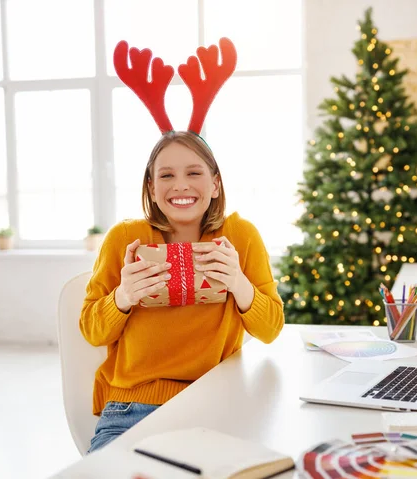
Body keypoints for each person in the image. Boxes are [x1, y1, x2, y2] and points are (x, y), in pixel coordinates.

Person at [80, 38, 285, 453]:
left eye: (194, 172)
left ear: (215, 184)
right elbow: (91, 330)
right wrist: (123, 296)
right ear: (152, 189)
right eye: (167, 176)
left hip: (215, 407)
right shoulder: (126, 238)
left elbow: (271, 328)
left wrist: (239, 284)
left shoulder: (240, 237)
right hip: (131, 409)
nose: (181, 186)